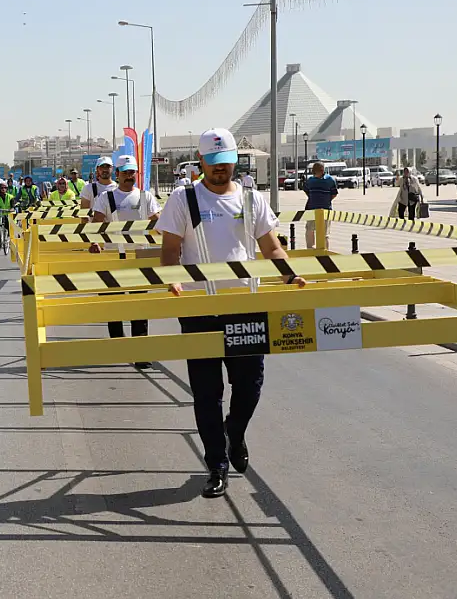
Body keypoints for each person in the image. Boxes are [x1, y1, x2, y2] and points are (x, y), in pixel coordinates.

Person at [158, 128, 306, 499]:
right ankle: (217, 465)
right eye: (213, 162)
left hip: (245, 307)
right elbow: (170, 249)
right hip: (200, 310)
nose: (220, 170)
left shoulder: (252, 199)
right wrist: (172, 281)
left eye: (226, 163)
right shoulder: (183, 198)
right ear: (201, 161)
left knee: (250, 384)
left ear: (234, 162)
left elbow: (270, 247)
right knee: (207, 392)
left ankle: (233, 432)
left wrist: (289, 273)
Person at [90, 154, 160, 367]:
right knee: (114, 304)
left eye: (132, 172)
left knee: (139, 306)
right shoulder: (106, 198)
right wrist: (96, 243)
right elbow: (96, 225)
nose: (130, 176)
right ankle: (118, 347)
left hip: (139, 256)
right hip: (114, 257)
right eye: (126, 172)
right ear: (117, 174)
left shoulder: (146, 197)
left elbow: (157, 221)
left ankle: (140, 352)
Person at [302, 162, 338, 249]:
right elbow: (307, 191)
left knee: (324, 233)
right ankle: (310, 249)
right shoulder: (310, 180)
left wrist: (326, 200)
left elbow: (334, 193)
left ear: (322, 170)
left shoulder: (330, 180)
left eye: (316, 171)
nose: (314, 173)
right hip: (311, 209)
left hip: (325, 210)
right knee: (309, 230)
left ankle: (325, 251)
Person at [0, 181, 14, 251]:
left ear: (6, 189)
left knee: (9, 227)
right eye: (2, 188)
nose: (3, 189)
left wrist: (12, 209)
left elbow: (13, 206)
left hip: (8, 215)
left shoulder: (10, 197)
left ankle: (9, 239)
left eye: (5, 188)